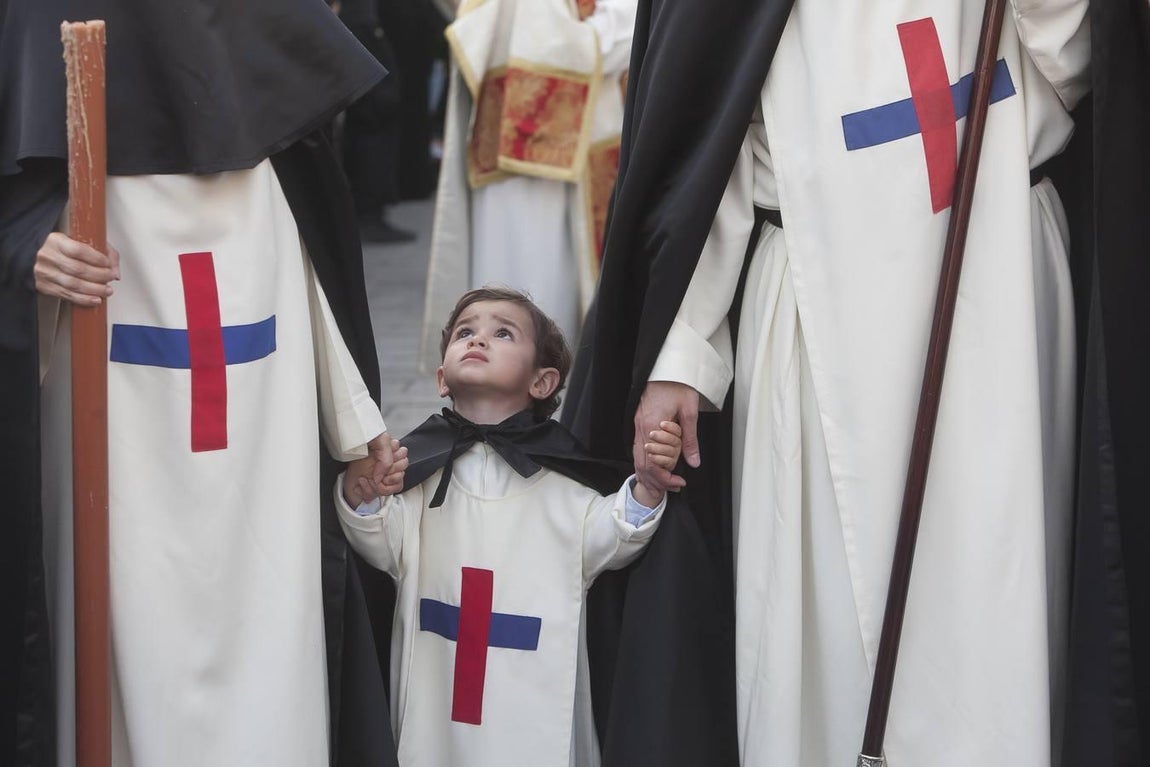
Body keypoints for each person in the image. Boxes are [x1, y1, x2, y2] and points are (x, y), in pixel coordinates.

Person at [563, 0, 1123, 765]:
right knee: (822, 624)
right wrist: (681, 351)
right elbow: (706, 141)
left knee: (1002, 577)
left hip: (999, 290)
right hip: (813, 304)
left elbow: (1080, 61)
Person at [1, 1, 400, 765]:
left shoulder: (259, 97)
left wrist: (354, 422)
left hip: (263, 440)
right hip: (109, 420)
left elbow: (314, 266)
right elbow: (18, 184)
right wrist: (25, 249)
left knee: (270, 623)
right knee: (117, 624)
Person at [337, 286, 680, 765]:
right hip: (440, 692)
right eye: (465, 331)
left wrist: (644, 486)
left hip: (536, 693)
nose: (478, 340)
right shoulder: (418, 469)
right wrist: (363, 495)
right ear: (441, 377)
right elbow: (383, 545)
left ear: (542, 382)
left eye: (502, 332)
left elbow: (610, 539)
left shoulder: (563, 480)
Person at [419, 0, 635, 363]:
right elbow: (582, 49)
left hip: (549, 149)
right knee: (537, 301)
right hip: (538, 161)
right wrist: (637, 19)